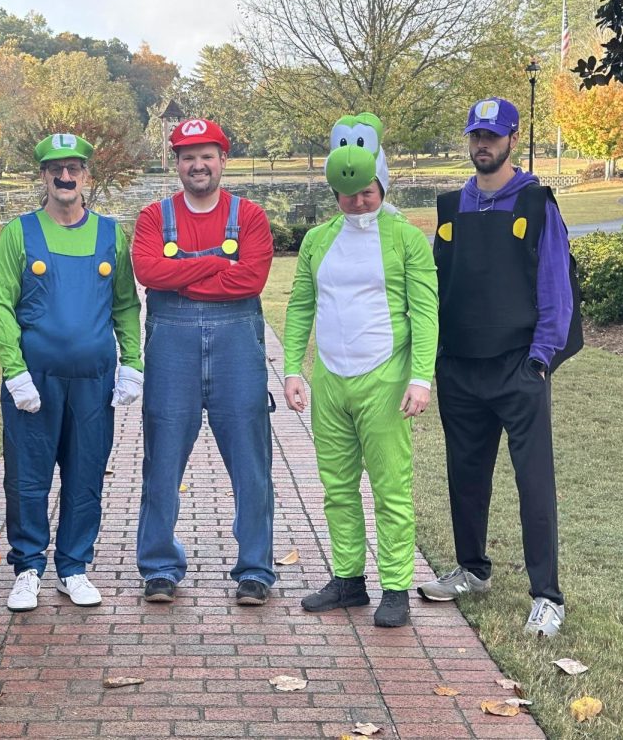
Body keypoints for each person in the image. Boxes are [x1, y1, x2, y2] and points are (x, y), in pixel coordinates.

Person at [419, 97, 573, 638]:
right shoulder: (451, 207)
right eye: (475, 136)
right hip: (460, 367)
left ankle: (547, 597)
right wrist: (434, 359)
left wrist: (540, 359)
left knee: (534, 483)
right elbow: (433, 288)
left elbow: (555, 286)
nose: (483, 144)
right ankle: (471, 569)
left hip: (518, 366)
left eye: (493, 135)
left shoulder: (535, 203)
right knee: (465, 475)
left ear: (511, 138)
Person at [282, 114, 437, 628]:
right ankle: (349, 580)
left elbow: (426, 311)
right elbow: (302, 305)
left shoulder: (405, 238)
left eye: (367, 191)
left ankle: (395, 585)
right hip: (330, 380)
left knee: (392, 486)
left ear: (381, 182)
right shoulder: (318, 240)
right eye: (348, 194)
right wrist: (291, 369)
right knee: (338, 486)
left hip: (386, 381)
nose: (358, 202)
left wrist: (420, 377)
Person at [0, 133, 143, 612]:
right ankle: (28, 567)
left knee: (85, 477)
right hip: (34, 380)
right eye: (55, 168)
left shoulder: (110, 234)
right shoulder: (20, 232)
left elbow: (125, 304)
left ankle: (74, 568)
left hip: (93, 381)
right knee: (27, 478)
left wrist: (133, 364)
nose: (65, 176)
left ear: (86, 175)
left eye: (74, 167)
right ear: (43, 176)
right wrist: (13, 371)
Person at [132, 117, 276, 605]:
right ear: (176, 163)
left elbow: (251, 281)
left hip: (238, 346)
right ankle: (158, 566)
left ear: (222, 160)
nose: (198, 164)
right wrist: (217, 264)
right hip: (172, 348)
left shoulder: (250, 216)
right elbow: (147, 269)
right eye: (188, 156)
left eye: (207, 155)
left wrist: (179, 277)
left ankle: (255, 568)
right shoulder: (154, 216)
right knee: (163, 459)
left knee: (251, 463)